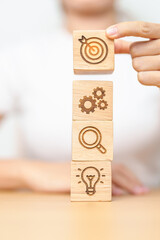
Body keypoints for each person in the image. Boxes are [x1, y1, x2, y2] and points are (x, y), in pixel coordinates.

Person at [0, 0, 160, 195]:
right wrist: (25, 172)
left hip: (145, 206)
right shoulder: (17, 60)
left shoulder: (153, 56)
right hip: (43, 212)